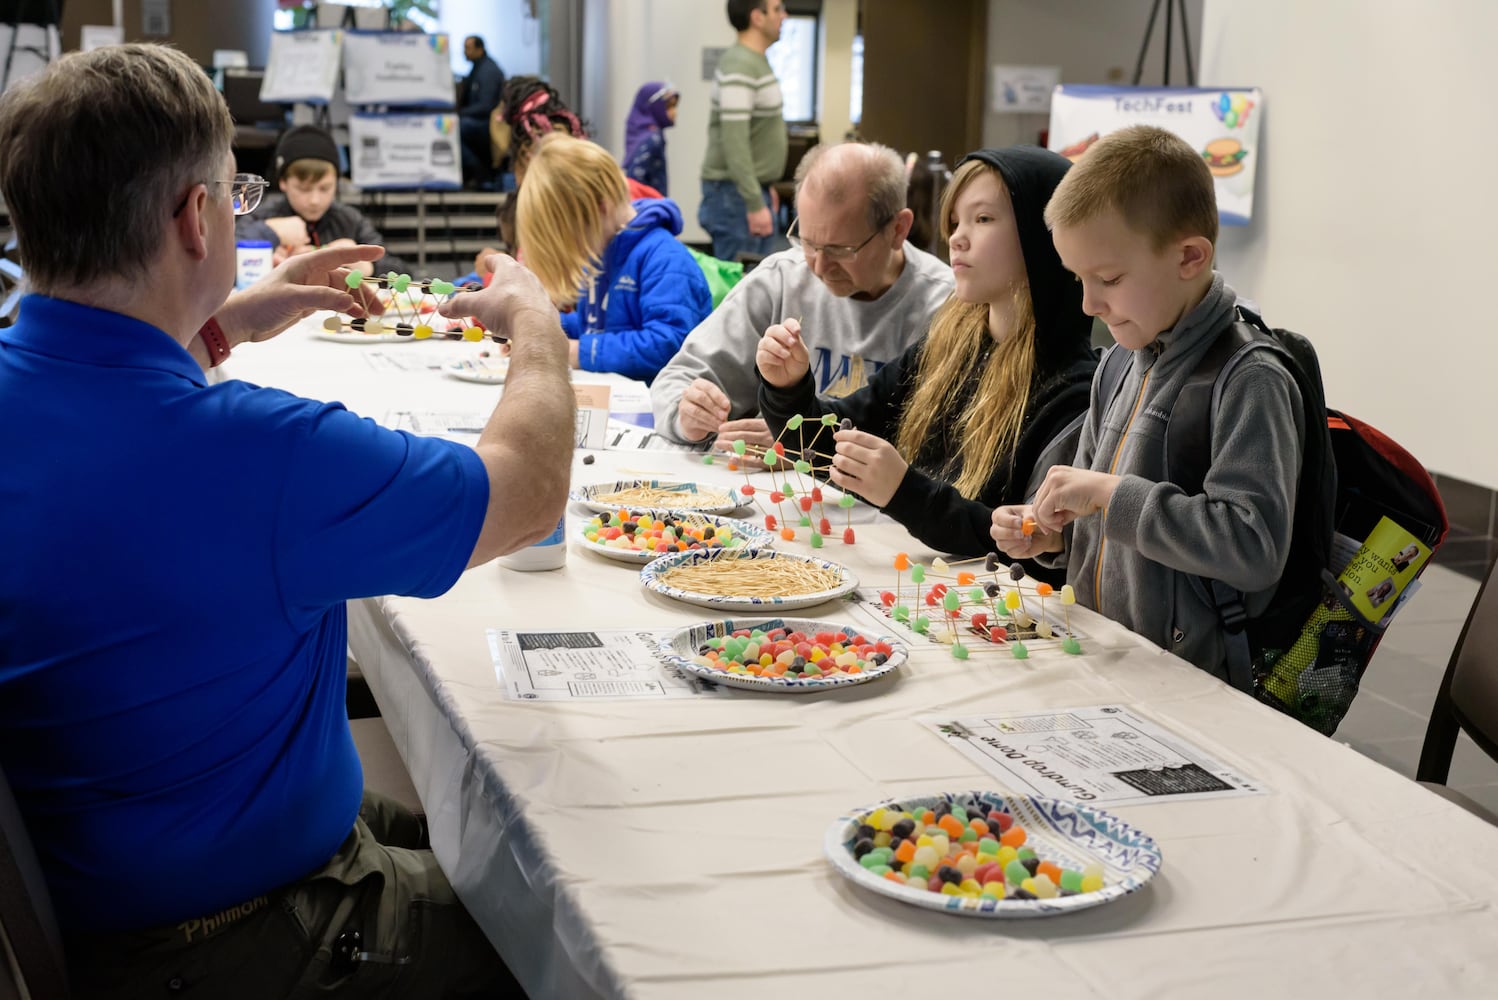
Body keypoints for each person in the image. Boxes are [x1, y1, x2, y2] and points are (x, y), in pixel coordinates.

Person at [0, 43, 575, 997]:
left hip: (100, 879)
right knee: (565, 916)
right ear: (197, 219)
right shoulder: (258, 451)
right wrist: (537, 324)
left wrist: (213, 325)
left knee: (487, 827)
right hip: (237, 931)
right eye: (238, 195)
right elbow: (525, 492)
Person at [990, 125, 1304, 679]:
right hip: (1105, 651)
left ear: (1188, 257)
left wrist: (1112, 495)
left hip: (1189, 676)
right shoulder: (1116, 363)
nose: (1089, 303)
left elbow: (1253, 547)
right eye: (1079, 279)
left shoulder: (1249, 377)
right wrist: (1051, 532)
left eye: (1108, 278)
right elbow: (1101, 514)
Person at [756, 147, 1096, 560]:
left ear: (1044, 238)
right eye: (955, 222)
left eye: (983, 219)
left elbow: (1022, 544)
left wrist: (902, 490)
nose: (957, 237)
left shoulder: (1073, 390)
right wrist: (787, 387)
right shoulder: (946, 344)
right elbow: (825, 448)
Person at [651, 141, 953, 451]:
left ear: (898, 229)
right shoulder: (780, 280)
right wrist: (687, 415)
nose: (819, 266)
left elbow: (944, 448)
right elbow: (676, 380)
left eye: (840, 249)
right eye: (807, 242)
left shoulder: (947, 306)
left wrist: (804, 445)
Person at [520, 134, 712, 383]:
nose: (576, 249)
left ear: (601, 207)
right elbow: (594, 326)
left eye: (573, 236)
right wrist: (542, 326)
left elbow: (670, 343)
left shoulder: (665, 258)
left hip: (656, 409)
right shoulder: (604, 251)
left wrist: (580, 352)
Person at [237, 124, 411, 276]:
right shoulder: (262, 217)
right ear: (282, 182)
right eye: (303, 189)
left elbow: (403, 271)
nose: (314, 200)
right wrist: (269, 234)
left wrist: (368, 266)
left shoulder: (349, 220)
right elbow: (220, 266)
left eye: (325, 188)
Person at [699, 0, 789, 261]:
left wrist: (764, 186)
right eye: (777, 9)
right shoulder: (740, 65)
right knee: (738, 289)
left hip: (744, 191)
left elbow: (755, 133)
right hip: (734, 196)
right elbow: (734, 141)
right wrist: (753, 199)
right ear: (757, 18)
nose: (784, 15)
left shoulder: (754, 61)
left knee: (752, 285)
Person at [458, 35, 507, 189]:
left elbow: (486, 106)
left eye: (468, 48)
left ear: (480, 49)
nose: (465, 52)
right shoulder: (477, 69)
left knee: (457, 128)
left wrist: (460, 113)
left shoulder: (488, 71)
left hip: (488, 123)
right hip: (478, 119)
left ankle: (479, 172)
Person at [623, 80, 679, 196]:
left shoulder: (643, 134)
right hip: (649, 207)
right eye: (669, 106)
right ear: (654, 107)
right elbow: (635, 180)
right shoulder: (652, 139)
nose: (675, 112)